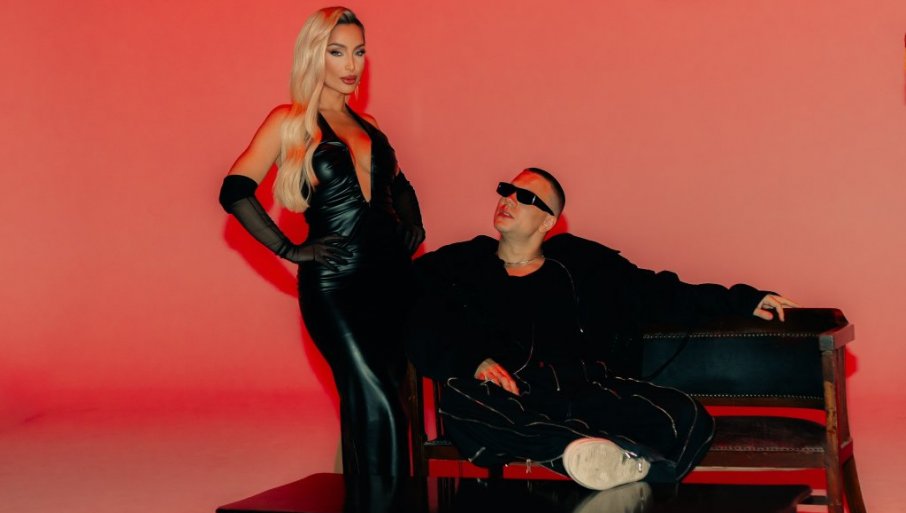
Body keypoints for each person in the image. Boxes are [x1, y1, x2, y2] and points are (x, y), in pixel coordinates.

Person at [406, 167, 796, 490]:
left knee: (685, 415)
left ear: (548, 221)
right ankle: (592, 455)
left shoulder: (583, 264)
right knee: (461, 402)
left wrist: (743, 299)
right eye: (506, 190)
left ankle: (596, 458)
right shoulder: (459, 265)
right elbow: (412, 313)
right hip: (507, 392)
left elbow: (658, 291)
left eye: (525, 197)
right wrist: (472, 361)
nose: (508, 200)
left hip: (580, 389)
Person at [218, 7, 424, 476]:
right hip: (336, 286)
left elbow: (399, 185)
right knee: (380, 409)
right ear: (314, 56)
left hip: (393, 285)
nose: (351, 65)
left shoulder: (368, 123)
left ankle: (362, 499)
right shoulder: (290, 122)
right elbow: (235, 190)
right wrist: (289, 250)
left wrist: (413, 225)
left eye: (359, 52)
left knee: (376, 406)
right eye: (337, 52)